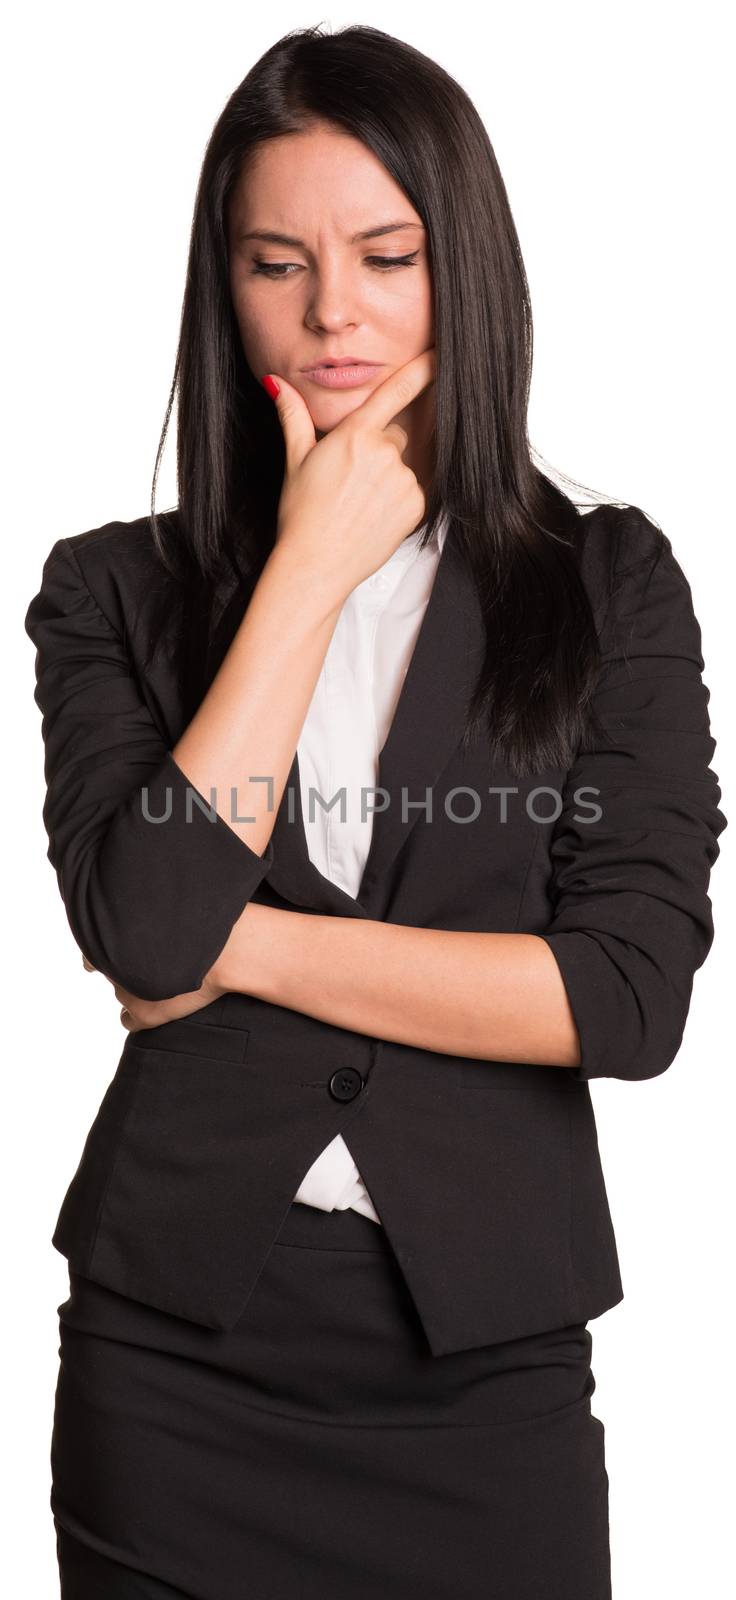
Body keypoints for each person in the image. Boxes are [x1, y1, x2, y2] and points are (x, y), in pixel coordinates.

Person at [25, 24, 727, 1600]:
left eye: (385, 254)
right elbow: (142, 926)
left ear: (460, 267)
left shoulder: (608, 584)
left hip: (485, 1364)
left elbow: (623, 997)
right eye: (278, 262)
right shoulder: (108, 590)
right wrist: (309, 567)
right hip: (174, 1359)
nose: (333, 310)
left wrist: (240, 952)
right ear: (227, 289)